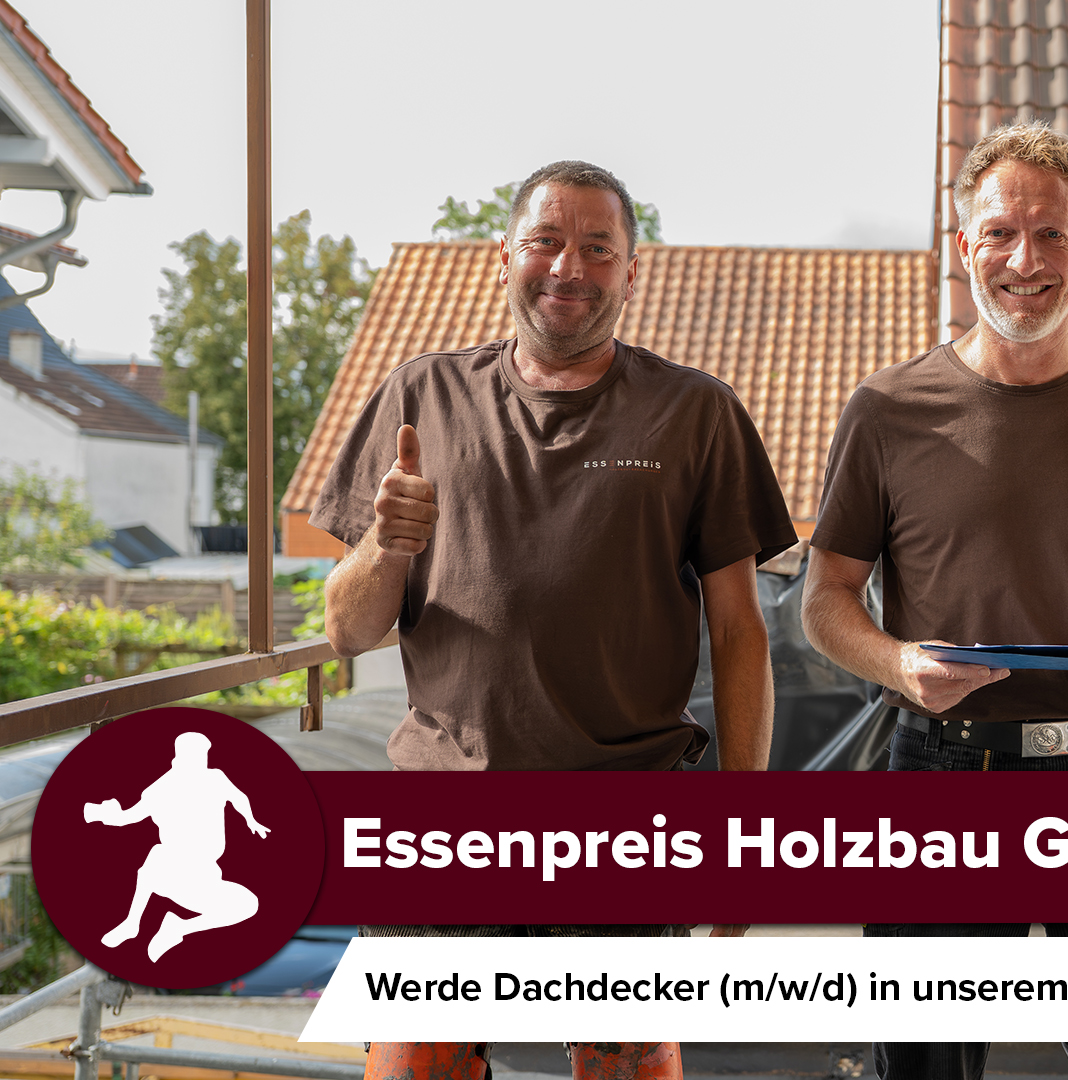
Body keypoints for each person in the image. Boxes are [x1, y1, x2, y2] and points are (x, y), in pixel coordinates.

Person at [311, 160, 796, 1080]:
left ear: (631, 272)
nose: (569, 266)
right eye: (545, 241)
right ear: (505, 257)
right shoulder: (421, 397)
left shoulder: (697, 413)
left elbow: (741, 633)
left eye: (597, 248)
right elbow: (346, 630)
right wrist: (386, 543)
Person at [802, 121, 1068, 1080]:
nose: (1025, 260)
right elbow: (824, 599)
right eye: (1001, 233)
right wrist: (898, 665)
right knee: (924, 1068)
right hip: (942, 774)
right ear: (965, 245)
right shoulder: (887, 409)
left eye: (1051, 235)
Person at [87, 731, 270, 962]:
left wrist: (250, 819)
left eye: (204, 755)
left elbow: (239, 797)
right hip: (173, 876)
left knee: (249, 904)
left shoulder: (215, 778)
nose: (202, 760)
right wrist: (104, 813)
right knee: (157, 854)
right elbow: (127, 818)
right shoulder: (160, 789)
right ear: (181, 756)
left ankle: (179, 927)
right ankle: (132, 923)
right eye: (197, 755)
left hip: (206, 877)